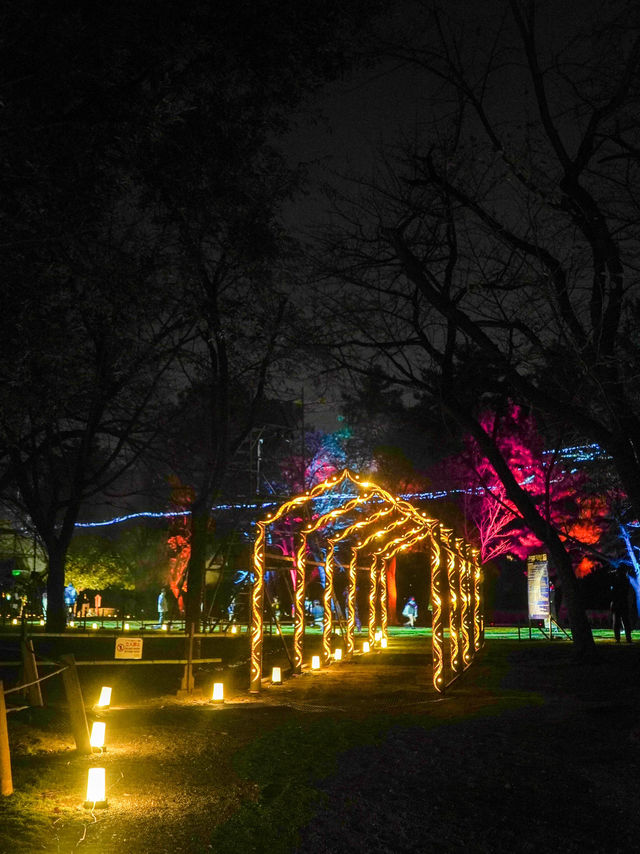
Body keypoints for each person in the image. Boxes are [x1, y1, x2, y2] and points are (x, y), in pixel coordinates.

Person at [610, 568, 633, 643]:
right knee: (626, 621)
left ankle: (618, 638)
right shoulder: (626, 580)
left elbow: (613, 592)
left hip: (617, 603)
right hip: (623, 603)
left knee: (617, 622)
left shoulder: (616, 581)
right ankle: (628, 638)